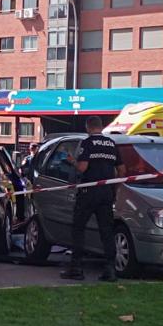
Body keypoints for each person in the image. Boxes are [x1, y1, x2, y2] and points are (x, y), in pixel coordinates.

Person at [61, 116, 126, 282]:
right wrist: (114, 190)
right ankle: (110, 270)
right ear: (101, 126)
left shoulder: (87, 143)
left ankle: (76, 268)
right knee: (106, 231)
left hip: (88, 192)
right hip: (106, 193)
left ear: (88, 127)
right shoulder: (111, 144)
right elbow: (122, 171)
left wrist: (72, 161)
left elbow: (83, 167)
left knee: (78, 228)